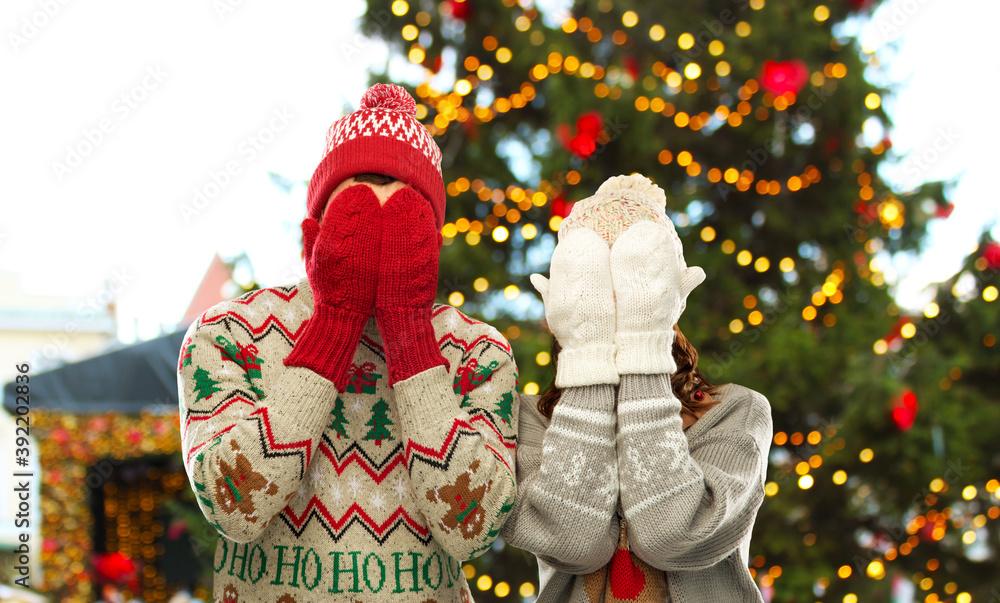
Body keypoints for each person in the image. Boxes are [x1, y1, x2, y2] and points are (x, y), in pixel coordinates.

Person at [177, 83, 518, 602]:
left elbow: (471, 530)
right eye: (359, 207)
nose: (381, 236)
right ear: (314, 237)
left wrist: (409, 334)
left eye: (404, 215)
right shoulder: (230, 333)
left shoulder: (475, 351)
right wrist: (334, 323)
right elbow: (232, 506)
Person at [501, 174, 772, 602]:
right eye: (593, 283)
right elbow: (575, 543)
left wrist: (642, 349)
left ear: (671, 293)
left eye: (634, 281)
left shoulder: (736, 411)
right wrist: (589, 357)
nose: (614, 300)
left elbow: (673, 535)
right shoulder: (529, 420)